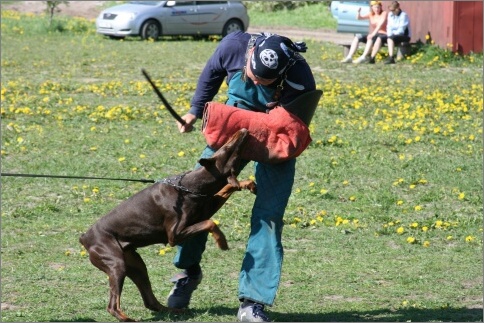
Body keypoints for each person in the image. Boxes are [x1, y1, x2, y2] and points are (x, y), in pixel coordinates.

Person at [169, 31, 316, 322]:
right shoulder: (234, 45)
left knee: (269, 215)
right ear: (250, 55)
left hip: (276, 135)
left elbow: (295, 127)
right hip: (231, 126)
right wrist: (194, 111)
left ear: (284, 72)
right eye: (252, 74)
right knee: (198, 200)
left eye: (264, 81)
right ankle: (188, 271)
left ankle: (252, 303)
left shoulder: (300, 77)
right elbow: (212, 72)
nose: (255, 81)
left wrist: (275, 119)